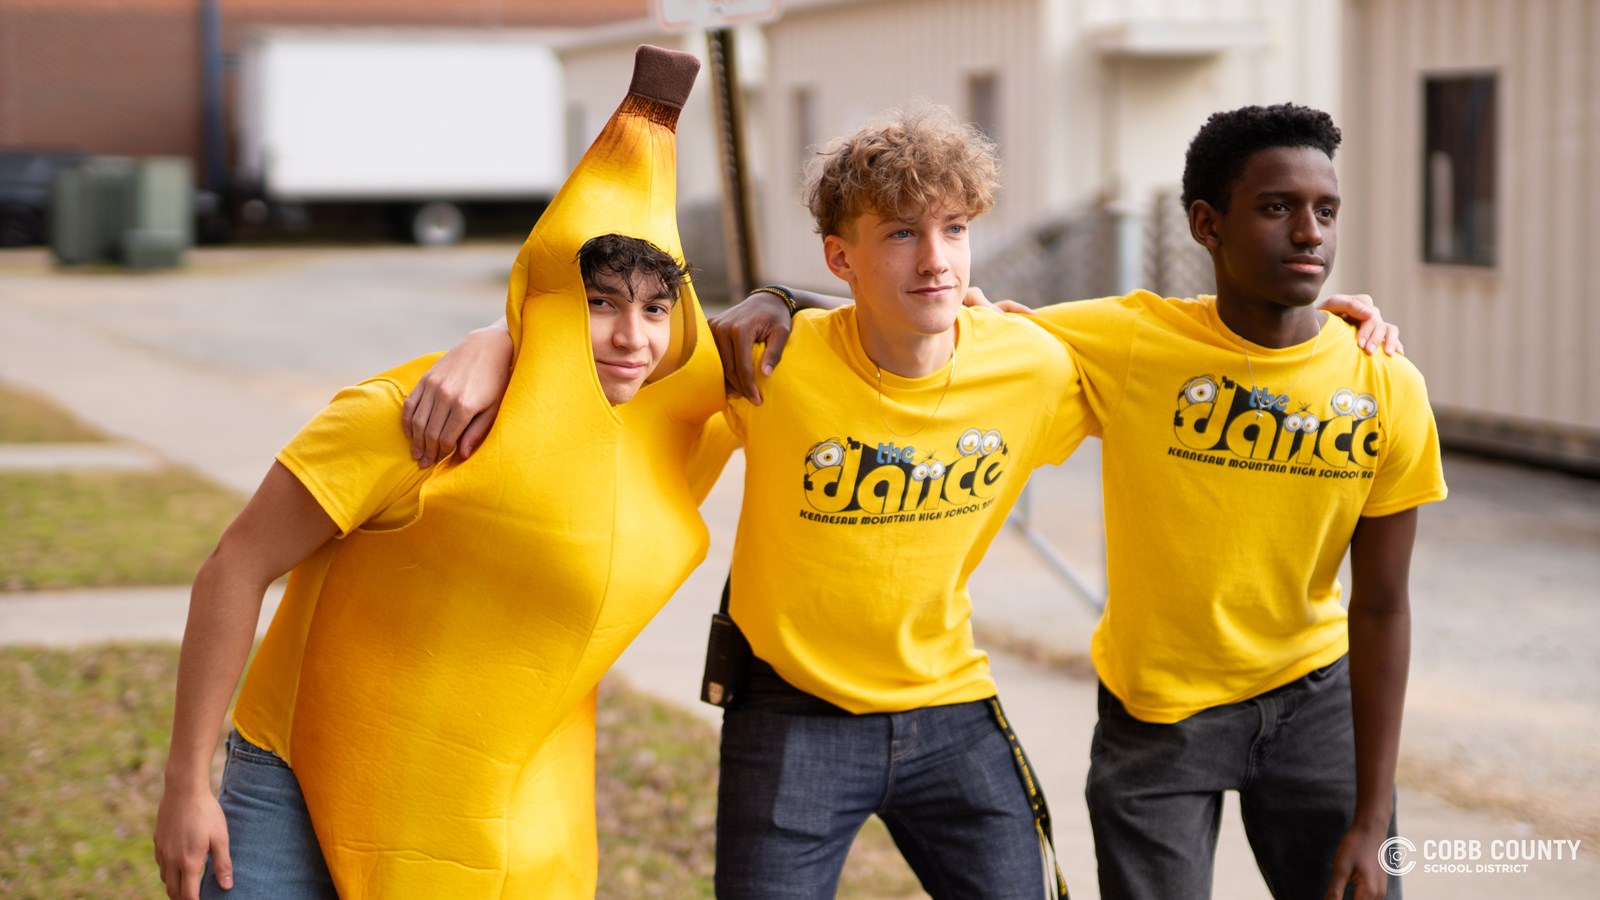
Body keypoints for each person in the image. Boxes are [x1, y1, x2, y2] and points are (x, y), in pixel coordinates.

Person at [402, 104, 1398, 898]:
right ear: (838, 259)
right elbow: (599, 343)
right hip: (790, 718)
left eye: (954, 230)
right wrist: (492, 344)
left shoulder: (1031, 362)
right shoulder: (763, 360)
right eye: (899, 235)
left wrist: (1332, 319)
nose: (934, 259)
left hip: (951, 713)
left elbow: (1212, 344)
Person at [708, 103, 1442, 900]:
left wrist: (1376, 816)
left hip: (1280, 705)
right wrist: (780, 297)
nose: (1309, 234)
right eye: (1276, 208)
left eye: (1325, 212)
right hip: (1117, 715)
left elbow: (1382, 605)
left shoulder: (1379, 382)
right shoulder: (1125, 341)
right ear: (1206, 223)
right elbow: (923, 323)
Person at [152, 46, 727, 900]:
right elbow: (235, 567)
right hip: (293, 788)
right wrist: (185, 784)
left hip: (483, 814)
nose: (631, 339)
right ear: (547, 299)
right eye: (600, 301)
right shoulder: (414, 414)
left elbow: (842, 351)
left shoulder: (676, 431)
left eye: (653, 309)